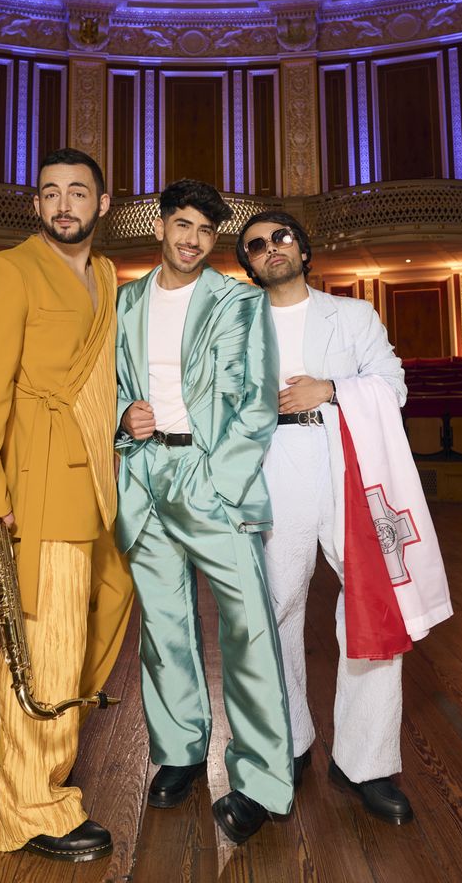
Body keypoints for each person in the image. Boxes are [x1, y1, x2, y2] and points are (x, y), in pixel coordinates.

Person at [236, 211, 452, 826]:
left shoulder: (352, 315)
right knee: (273, 609)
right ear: (247, 264)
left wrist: (329, 389)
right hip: (270, 470)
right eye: (255, 245)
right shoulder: (238, 321)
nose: (270, 249)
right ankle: (290, 743)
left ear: (303, 250)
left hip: (346, 464)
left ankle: (367, 763)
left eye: (281, 238)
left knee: (371, 608)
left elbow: (393, 385)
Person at [0, 148, 133, 863]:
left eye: (78, 192)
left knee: (107, 612)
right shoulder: (8, 270)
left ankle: (52, 750)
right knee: (43, 647)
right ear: (36, 205)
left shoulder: (109, 275)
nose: (65, 204)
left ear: (103, 203)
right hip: (38, 484)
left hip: (96, 477)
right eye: (51, 192)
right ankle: (30, 806)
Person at [115, 179, 294, 844]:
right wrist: (121, 417)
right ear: (161, 225)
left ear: (213, 238)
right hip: (143, 474)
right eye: (181, 225)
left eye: (204, 231)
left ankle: (263, 780)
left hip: (210, 476)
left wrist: (220, 484)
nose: (191, 240)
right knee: (164, 627)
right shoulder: (124, 301)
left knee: (247, 628)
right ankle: (181, 752)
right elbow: (106, 388)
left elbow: (255, 403)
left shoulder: (238, 301)